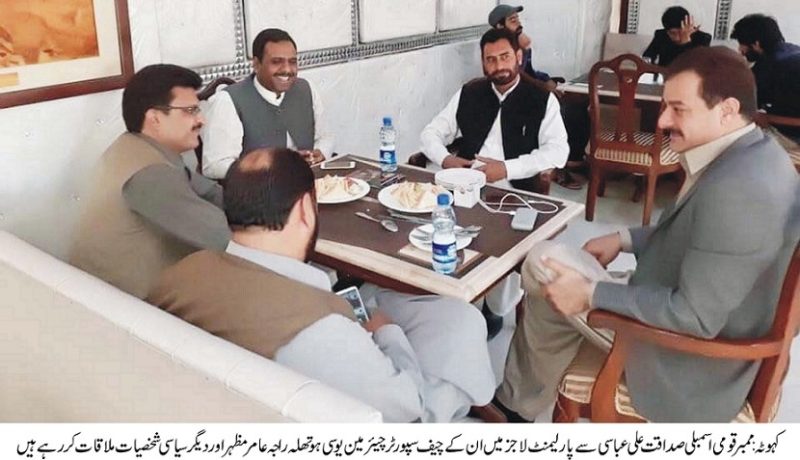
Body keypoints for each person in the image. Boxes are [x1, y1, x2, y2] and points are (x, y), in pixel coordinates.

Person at [493, 46, 799, 422]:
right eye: (665, 106)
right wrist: (623, 238)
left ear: (727, 110)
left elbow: (694, 318)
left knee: (543, 266)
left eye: (678, 109)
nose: (662, 121)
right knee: (553, 270)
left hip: (688, 362)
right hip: (693, 308)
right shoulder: (759, 152)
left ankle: (518, 403)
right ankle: (521, 398)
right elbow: (697, 236)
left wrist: (591, 293)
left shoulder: (738, 191)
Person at [147, 148, 496, 423]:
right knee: (458, 338)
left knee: (449, 318)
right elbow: (408, 407)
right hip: (358, 411)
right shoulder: (319, 327)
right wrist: (388, 334)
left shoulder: (181, 273)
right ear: (305, 209)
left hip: (228, 397)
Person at [69, 64, 230, 299]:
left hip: (108, 293)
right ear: (154, 118)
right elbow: (220, 236)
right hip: (126, 307)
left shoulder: (133, 147)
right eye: (191, 110)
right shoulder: (151, 174)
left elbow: (210, 192)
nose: (201, 120)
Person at [420, 27, 568, 192]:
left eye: (505, 57)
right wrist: (445, 159)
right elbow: (430, 133)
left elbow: (558, 151)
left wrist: (507, 169)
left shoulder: (542, 99)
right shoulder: (470, 92)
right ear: (483, 63)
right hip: (465, 185)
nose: (499, 66)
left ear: (519, 57)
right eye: (490, 60)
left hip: (516, 189)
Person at [201, 28, 334, 179]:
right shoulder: (227, 100)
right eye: (276, 62)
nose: (287, 70)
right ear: (256, 64)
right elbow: (214, 165)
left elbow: (326, 136)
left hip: (310, 182)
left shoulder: (306, 88)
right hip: (259, 189)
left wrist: (320, 152)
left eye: (292, 62)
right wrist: (267, 167)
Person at [488, 4, 585, 190]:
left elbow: (529, 70)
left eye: (518, 19)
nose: (519, 23)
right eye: (513, 20)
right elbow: (516, 75)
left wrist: (547, 80)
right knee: (561, 110)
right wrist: (544, 88)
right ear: (500, 26)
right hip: (514, 97)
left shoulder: (520, 42)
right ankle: (557, 170)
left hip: (528, 89)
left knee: (578, 104)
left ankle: (573, 159)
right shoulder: (497, 47)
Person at [731, 14, 800, 143]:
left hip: (792, 137)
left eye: (741, 44)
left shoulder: (774, 66)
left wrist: (768, 118)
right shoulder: (791, 52)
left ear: (756, 44)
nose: (740, 50)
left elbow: (744, 100)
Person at [643, 6, 711, 68]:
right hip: (664, 74)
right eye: (673, 33)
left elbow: (697, 67)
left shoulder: (703, 38)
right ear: (666, 31)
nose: (678, 36)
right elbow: (647, 57)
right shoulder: (661, 35)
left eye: (681, 32)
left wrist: (685, 42)